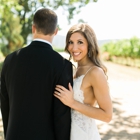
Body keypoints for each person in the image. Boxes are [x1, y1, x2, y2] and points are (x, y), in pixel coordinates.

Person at [0, 8, 73, 140]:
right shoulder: (62, 65)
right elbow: (61, 115)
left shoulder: (10, 60)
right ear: (55, 32)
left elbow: (5, 105)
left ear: (33, 28)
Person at [54, 23, 113, 140]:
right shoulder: (73, 69)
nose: (74, 48)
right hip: (68, 132)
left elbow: (107, 115)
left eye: (80, 42)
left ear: (89, 45)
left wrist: (72, 103)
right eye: (71, 42)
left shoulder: (95, 72)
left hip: (83, 135)